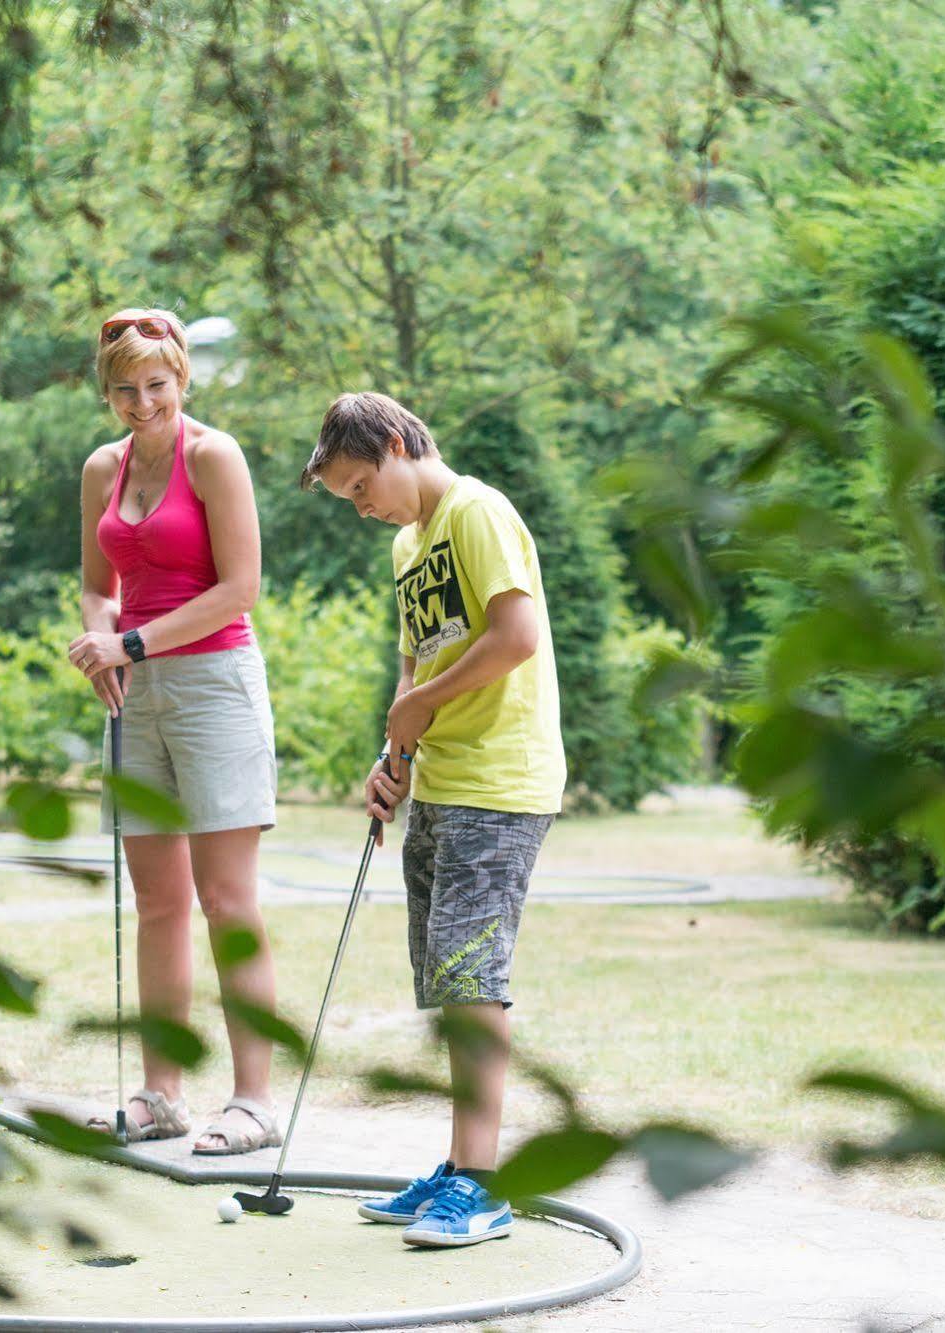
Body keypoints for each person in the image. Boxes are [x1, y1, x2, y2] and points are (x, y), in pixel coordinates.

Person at [298, 391, 564, 1248]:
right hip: (445, 781)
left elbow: (514, 635)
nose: (362, 505)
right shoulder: (409, 545)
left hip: (501, 779)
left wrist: (420, 706)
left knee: (469, 975)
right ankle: (458, 1166)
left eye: (361, 484)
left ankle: (484, 1185)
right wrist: (396, 759)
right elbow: (418, 662)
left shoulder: (476, 511)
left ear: (395, 443)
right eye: (347, 497)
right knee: (445, 978)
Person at [67, 306, 284, 1155]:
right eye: (124, 390)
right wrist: (102, 645)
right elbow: (95, 583)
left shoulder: (212, 455)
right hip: (135, 691)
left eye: (155, 385)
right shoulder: (100, 470)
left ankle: (255, 1102)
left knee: (226, 899)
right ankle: (161, 1095)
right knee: (157, 900)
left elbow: (241, 589)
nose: (141, 402)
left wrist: (130, 638)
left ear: (181, 378)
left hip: (214, 684)